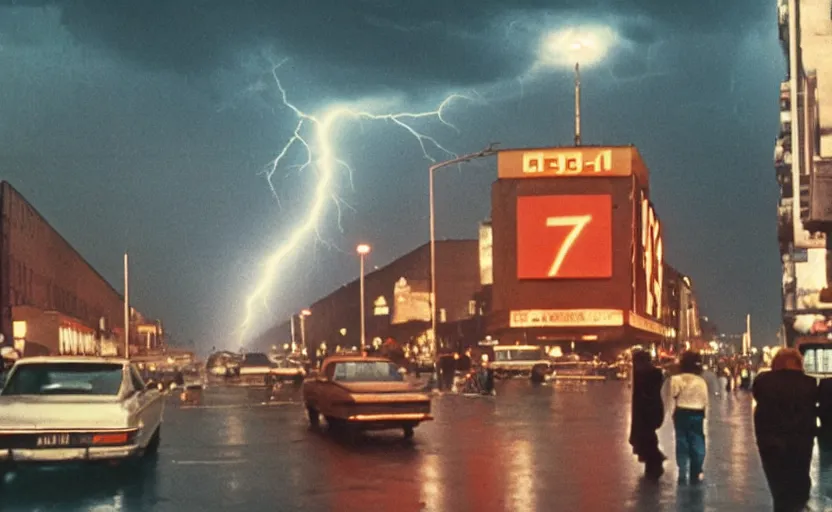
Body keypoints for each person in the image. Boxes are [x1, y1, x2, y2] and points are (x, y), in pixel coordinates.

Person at [753, 348, 818, 512]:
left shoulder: (762, 381)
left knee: (778, 485)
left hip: (770, 441)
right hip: (800, 442)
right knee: (798, 481)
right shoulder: (809, 383)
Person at [669, 350, 709, 484]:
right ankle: (696, 470)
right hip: (698, 413)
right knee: (697, 441)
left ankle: (682, 471)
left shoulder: (676, 379)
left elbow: (673, 394)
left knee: (681, 441)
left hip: (681, 412)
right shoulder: (701, 381)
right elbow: (705, 400)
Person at [629, 350, 666, 479]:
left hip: (646, 412)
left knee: (646, 438)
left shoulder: (644, 374)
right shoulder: (654, 373)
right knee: (648, 437)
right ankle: (653, 466)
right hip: (651, 410)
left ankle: (654, 465)